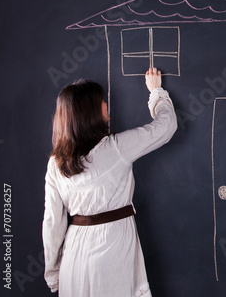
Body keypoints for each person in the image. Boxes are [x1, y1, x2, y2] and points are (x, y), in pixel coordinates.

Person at [42, 68, 177, 297]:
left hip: (73, 255)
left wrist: (53, 274)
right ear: (91, 112)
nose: (106, 104)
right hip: (111, 248)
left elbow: (52, 223)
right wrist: (156, 92)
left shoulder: (56, 163)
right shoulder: (116, 148)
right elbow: (166, 126)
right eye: (102, 101)